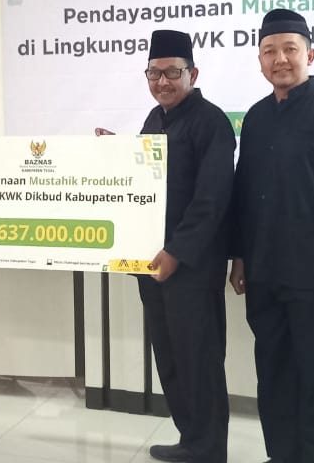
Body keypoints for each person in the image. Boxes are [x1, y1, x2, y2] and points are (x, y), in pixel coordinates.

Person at [229, 9, 314, 463]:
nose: (280, 59)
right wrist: (240, 257)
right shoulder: (256, 117)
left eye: (290, 49)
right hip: (265, 272)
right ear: (260, 61)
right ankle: (282, 455)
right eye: (269, 51)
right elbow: (245, 192)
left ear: (310, 54)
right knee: (274, 371)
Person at [129, 30, 235, 462]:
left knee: (199, 359)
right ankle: (190, 439)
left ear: (193, 73)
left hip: (191, 267)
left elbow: (212, 199)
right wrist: (113, 153)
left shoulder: (211, 122)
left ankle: (209, 447)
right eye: (154, 73)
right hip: (152, 265)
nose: (162, 82)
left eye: (172, 73)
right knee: (170, 357)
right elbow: (143, 183)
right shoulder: (154, 120)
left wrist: (177, 252)